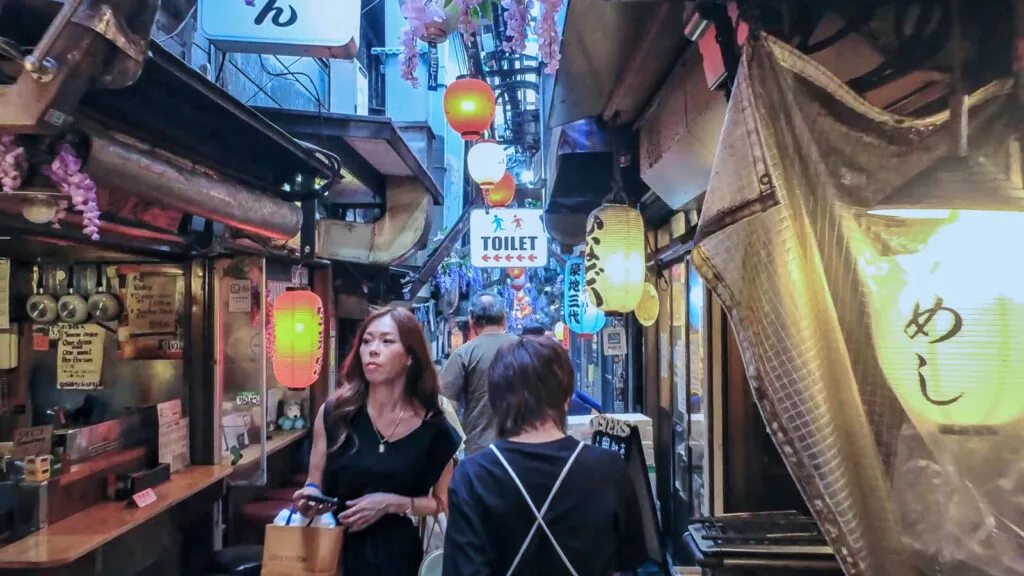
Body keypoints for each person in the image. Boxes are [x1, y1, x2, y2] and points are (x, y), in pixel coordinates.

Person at [443, 336, 648, 576]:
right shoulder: (608, 468)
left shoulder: (472, 475)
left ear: (497, 401)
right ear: (567, 399)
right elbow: (630, 561)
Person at [294, 307, 461, 575]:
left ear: (409, 357)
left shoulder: (434, 428)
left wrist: (392, 502)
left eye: (386, 341)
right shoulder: (335, 414)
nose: (373, 349)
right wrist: (309, 499)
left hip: (396, 556)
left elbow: (441, 503)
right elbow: (314, 482)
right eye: (367, 340)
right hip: (332, 550)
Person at [440, 292, 517, 455]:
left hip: (479, 450)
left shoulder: (463, 354)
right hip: (522, 447)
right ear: (504, 320)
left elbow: (446, 406)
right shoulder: (525, 348)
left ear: (471, 322)